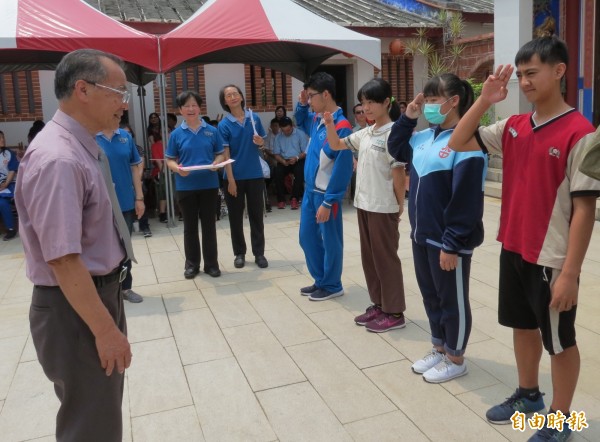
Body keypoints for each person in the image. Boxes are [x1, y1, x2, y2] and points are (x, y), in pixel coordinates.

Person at [448, 37, 599, 441]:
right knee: (522, 326)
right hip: (513, 246)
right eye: (521, 76)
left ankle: (561, 419)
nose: (526, 83)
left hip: (551, 257)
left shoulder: (581, 133)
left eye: (533, 73)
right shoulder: (514, 127)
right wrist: (484, 100)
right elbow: (457, 141)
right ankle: (528, 395)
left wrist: (570, 273)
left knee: (560, 341)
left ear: (559, 71)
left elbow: (585, 209)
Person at [15, 48, 133, 441]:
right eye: (117, 91)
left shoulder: (80, 145)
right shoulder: (59, 158)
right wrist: (105, 330)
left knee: (97, 413)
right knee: (91, 424)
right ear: (82, 89)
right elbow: (64, 260)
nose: (123, 103)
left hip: (90, 298)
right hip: (76, 307)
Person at [388, 73, 486, 383]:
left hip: (447, 241)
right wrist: (408, 116)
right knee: (431, 296)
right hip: (422, 235)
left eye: (433, 100)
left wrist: (452, 243)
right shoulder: (422, 138)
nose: (427, 105)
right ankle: (439, 347)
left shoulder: (467, 141)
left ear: (454, 101)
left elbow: (466, 199)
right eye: (426, 99)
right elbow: (395, 147)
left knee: (451, 299)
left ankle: (456, 357)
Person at [324, 78, 407, 332]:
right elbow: (337, 144)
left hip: (383, 207)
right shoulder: (367, 133)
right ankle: (379, 304)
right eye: (363, 103)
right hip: (365, 205)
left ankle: (394, 312)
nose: (367, 108)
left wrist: (399, 204)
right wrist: (329, 124)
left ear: (386, 102)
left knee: (385, 259)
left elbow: (398, 172)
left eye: (372, 102)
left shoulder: (394, 133)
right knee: (370, 258)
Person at [295, 72, 353, 301]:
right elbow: (299, 120)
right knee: (306, 237)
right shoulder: (316, 120)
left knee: (330, 240)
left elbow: (342, 168)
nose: (309, 101)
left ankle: (332, 284)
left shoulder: (341, 126)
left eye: (311, 96)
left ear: (326, 94)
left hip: (325, 195)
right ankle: (321, 280)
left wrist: (330, 200)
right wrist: (301, 104)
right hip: (310, 192)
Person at [166, 90, 224, 279]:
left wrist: (217, 162)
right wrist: (177, 169)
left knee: (209, 226)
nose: (191, 109)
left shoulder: (211, 131)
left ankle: (211, 265)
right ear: (180, 110)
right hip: (185, 186)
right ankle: (192, 265)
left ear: (200, 108)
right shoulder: (176, 134)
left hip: (209, 184)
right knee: (190, 227)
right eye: (186, 106)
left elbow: (220, 153)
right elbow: (169, 160)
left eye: (194, 105)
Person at [218, 84, 269, 269]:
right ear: (224, 102)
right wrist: (230, 180)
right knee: (235, 217)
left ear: (241, 96)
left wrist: (261, 142)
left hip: (255, 174)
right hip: (233, 177)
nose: (232, 97)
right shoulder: (224, 125)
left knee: (257, 216)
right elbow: (226, 153)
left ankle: (259, 253)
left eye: (235, 93)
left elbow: (262, 144)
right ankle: (239, 253)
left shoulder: (253, 118)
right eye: (228, 95)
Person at [96, 121, 145, 304]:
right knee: (102, 246)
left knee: (124, 246)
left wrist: (139, 197)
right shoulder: (91, 135)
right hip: (99, 203)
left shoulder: (126, 137)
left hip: (124, 200)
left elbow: (134, 168)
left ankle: (125, 287)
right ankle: (104, 289)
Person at [120, 122, 152, 238]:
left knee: (140, 199)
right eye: (124, 132)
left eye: (128, 132)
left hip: (136, 181)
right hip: (122, 183)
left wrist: (135, 182)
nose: (126, 134)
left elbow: (139, 167)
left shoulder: (138, 148)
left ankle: (145, 226)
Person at [273, 116, 308, 210]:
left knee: (299, 172)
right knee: (277, 172)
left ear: (292, 126)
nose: (286, 132)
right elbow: (276, 154)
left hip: (298, 159)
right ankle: (281, 200)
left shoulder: (300, 134)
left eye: (288, 130)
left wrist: (296, 158)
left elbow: (305, 152)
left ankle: (295, 198)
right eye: (284, 131)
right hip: (284, 160)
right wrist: (283, 161)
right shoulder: (278, 137)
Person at [0, 130, 19, 241]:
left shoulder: (8, 153)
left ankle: (11, 229)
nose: (3, 140)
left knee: (2, 202)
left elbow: (12, 170)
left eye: (3, 137)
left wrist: (5, 184)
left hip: (10, 184)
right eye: (0, 138)